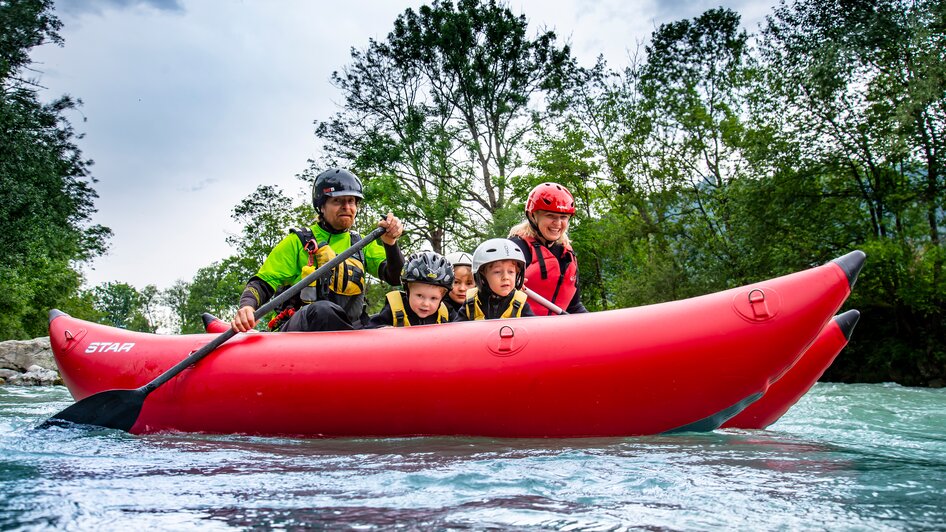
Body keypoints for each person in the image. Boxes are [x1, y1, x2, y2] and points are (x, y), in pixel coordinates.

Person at [231, 168, 405, 332]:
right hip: (304, 328)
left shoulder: (360, 244)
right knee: (323, 310)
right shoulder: (298, 241)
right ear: (321, 206)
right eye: (337, 200)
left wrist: (390, 243)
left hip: (351, 330)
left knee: (399, 304)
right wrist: (247, 306)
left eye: (351, 201)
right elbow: (262, 283)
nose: (346, 207)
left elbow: (395, 276)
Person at [508, 182, 588, 315]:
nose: (557, 223)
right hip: (522, 329)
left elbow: (574, 306)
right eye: (550, 216)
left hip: (557, 330)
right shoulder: (515, 248)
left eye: (563, 217)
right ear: (533, 216)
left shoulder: (566, 254)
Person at [367, 252, 455, 328]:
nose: (425, 303)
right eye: (419, 296)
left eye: (433, 298)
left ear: (442, 298)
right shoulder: (393, 309)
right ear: (407, 291)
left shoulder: (447, 313)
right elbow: (370, 329)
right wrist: (382, 329)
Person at [455, 238, 535, 321]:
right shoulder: (471, 302)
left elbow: (534, 330)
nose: (505, 277)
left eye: (511, 272)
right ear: (482, 275)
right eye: (497, 272)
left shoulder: (520, 303)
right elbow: (456, 331)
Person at [443, 251, 475, 315]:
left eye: (469, 283)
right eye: (456, 282)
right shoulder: (435, 312)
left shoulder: (484, 309)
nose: (462, 289)